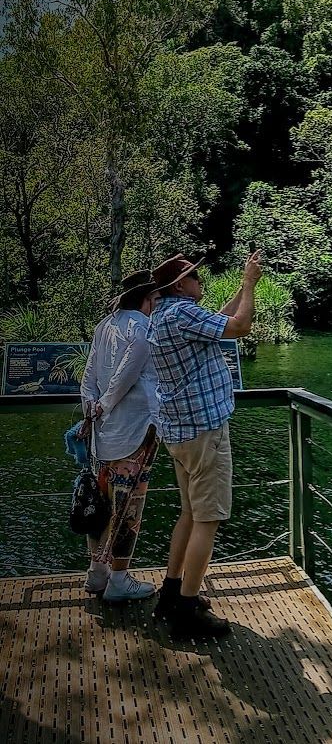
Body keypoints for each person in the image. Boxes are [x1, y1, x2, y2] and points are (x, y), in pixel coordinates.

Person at [147, 251, 260, 639]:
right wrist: (250, 285)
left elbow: (220, 322)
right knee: (207, 519)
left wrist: (240, 288)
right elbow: (240, 326)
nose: (201, 280)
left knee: (189, 514)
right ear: (180, 285)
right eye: (195, 276)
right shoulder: (183, 314)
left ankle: (171, 591)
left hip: (180, 433)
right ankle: (187, 610)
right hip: (204, 432)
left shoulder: (165, 314)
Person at [78, 269, 163, 602]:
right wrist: (105, 404)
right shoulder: (142, 328)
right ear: (145, 299)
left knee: (101, 501)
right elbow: (129, 371)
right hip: (136, 427)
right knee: (129, 505)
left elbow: (89, 373)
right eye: (156, 298)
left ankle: (96, 573)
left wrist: (91, 406)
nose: (158, 304)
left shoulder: (106, 324)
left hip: (104, 431)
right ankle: (118, 578)